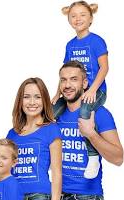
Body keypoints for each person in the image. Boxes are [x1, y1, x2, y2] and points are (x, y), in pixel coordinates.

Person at [52, 1, 109, 179]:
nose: (78, 19)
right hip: (73, 92)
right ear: (69, 19)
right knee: (51, 112)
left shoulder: (97, 41)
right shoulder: (70, 45)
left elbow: (104, 68)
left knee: (85, 111)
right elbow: (64, 72)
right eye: (73, 16)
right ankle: (49, 155)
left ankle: (93, 157)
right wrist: (57, 93)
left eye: (82, 15)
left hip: (95, 91)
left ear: (91, 18)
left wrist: (92, 90)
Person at [56, 61, 123, 199]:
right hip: (57, 194)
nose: (67, 85)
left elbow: (118, 158)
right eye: (63, 80)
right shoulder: (55, 115)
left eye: (74, 79)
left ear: (85, 83)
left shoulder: (99, 113)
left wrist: (91, 134)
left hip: (88, 196)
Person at [6, 77, 62, 200]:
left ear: (45, 100)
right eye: (26, 97)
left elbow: (57, 173)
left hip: (39, 195)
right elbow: (7, 168)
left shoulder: (51, 129)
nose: (32, 102)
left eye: (38, 97)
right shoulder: (12, 134)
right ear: (20, 101)